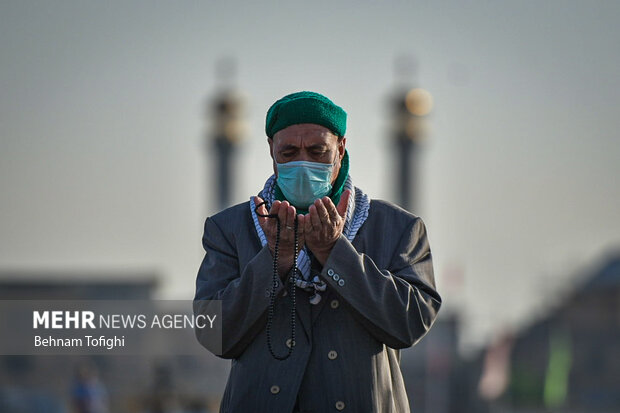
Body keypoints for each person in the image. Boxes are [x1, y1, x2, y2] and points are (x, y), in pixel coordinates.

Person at [194, 91, 441, 413]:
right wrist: (276, 260)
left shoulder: (394, 228)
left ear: (340, 148)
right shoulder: (232, 228)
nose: (303, 163)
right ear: (271, 149)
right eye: (289, 152)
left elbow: (410, 323)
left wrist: (335, 252)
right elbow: (214, 334)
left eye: (316, 151)